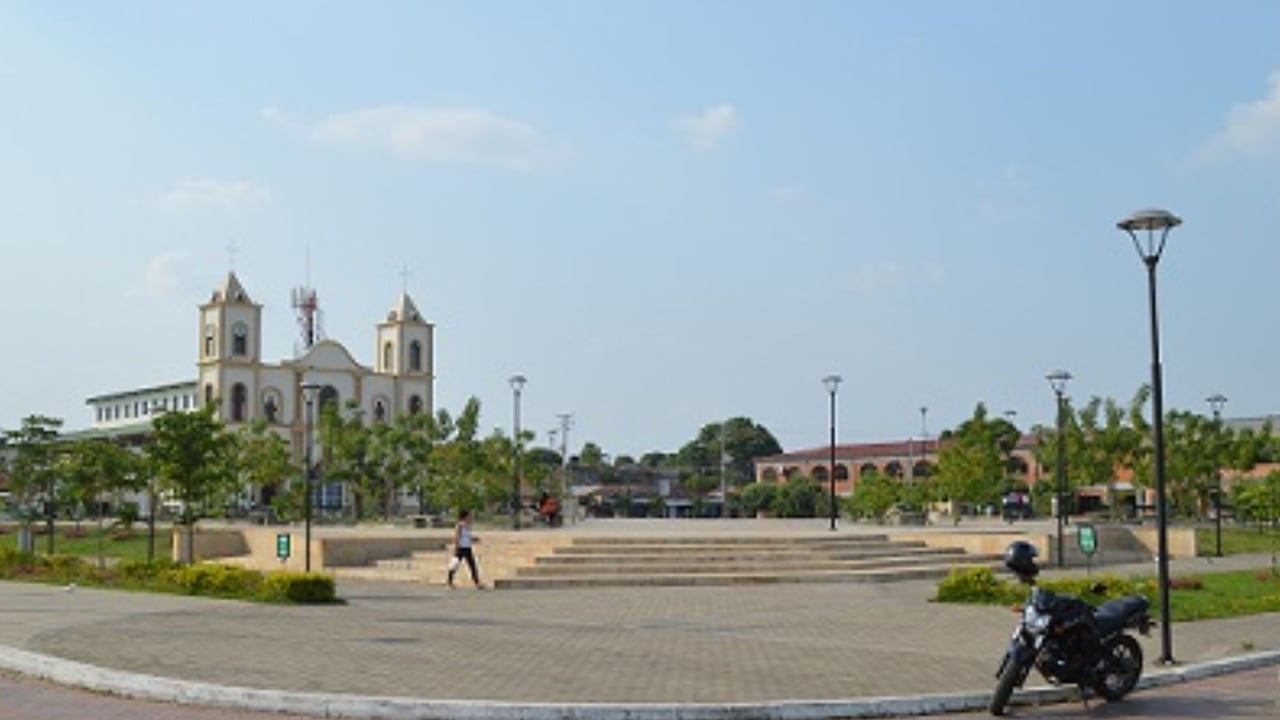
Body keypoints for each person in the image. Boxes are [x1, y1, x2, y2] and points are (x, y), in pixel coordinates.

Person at [446, 510, 483, 589]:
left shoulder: (469, 526)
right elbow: (457, 537)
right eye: (469, 516)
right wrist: (456, 547)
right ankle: (449, 582)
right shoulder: (460, 526)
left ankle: (477, 583)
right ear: (464, 517)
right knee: (455, 565)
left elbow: (468, 537)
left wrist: (474, 539)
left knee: (472, 565)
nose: (470, 517)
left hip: (468, 548)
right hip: (460, 548)